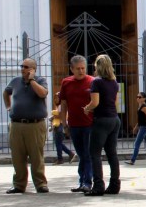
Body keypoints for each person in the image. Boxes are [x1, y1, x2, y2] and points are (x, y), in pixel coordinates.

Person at [3, 58, 49, 193]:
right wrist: (8, 107)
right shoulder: (15, 81)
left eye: (27, 67)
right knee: (17, 156)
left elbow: (42, 93)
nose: (23, 69)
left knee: (36, 156)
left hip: (35, 124)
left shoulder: (40, 81)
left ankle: (40, 184)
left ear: (34, 69)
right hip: (16, 124)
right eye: (22, 66)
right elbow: (6, 92)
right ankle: (19, 184)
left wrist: (32, 80)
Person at [83, 54, 120, 196]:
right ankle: (114, 185)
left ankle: (98, 186)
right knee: (112, 153)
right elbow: (115, 102)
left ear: (97, 66)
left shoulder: (96, 82)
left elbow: (95, 102)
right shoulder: (114, 82)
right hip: (114, 119)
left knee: (95, 153)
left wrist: (87, 108)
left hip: (101, 120)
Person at [59, 55, 94, 193]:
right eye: (78, 68)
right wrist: (64, 123)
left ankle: (87, 182)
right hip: (74, 125)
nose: (81, 71)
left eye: (83, 68)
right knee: (81, 154)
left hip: (89, 124)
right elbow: (63, 104)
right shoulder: (66, 83)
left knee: (88, 154)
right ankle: (82, 181)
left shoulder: (92, 81)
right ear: (71, 69)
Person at [50, 92, 76, 165]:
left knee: (58, 143)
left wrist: (54, 116)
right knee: (58, 143)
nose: (55, 99)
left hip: (60, 125)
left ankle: (60, 158)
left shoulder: (62, 105)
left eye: (57, 97)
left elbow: (62, 115)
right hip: (57, 125)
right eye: (54, 98)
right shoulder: (58, 106)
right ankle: (70, 154)